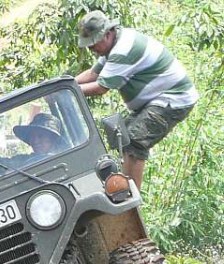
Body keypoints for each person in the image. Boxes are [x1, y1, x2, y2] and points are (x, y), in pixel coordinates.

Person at [75, 10, 198, 189]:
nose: (91, 48)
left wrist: (69, 91)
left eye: (93, 43)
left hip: (173, 99)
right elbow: (93, 74)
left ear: (108, 34)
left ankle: (130, 199)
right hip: (156, 100)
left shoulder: (124, 49)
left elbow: (100, 87)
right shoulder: (113, 46)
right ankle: (124, 188)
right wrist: (64, 84)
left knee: (135, 140)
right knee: (120, 136)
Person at [0, 112, 64, 174]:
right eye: (32, 137)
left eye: (41, 136)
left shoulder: (65, 158)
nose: (35, 141)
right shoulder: (23, 161)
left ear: (53, 139)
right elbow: (2, 164)